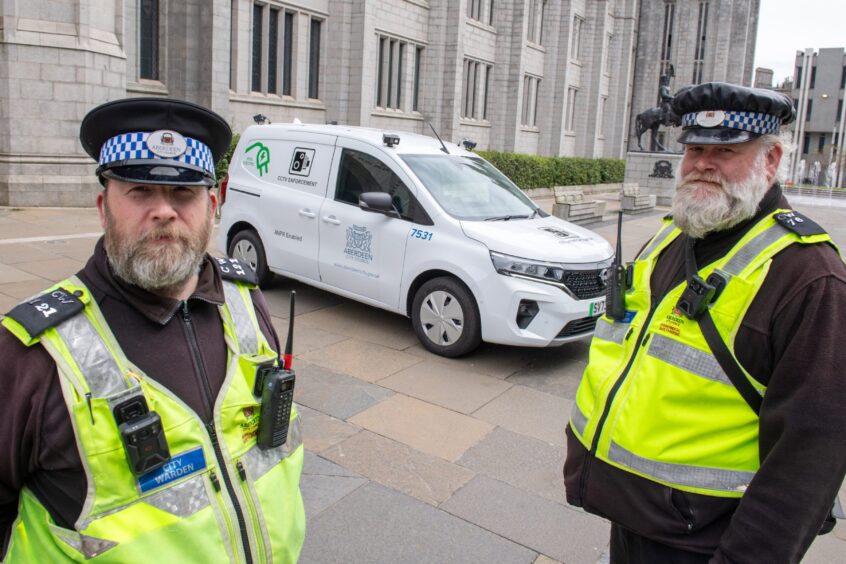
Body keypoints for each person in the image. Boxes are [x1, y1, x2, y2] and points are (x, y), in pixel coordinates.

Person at [0, 98, 305, 562]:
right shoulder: (30, 354)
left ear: (213, 204)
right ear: (104, 207)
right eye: (140, 192)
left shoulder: (246, 298)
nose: (164, 211)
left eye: (183, 194)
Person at [564, 82, 846, 563]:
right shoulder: (676, 234)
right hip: (635, 515)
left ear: (771, 160)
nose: (702, 163)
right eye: (695, 148)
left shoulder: (809, 277)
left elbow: (809, 458)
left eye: (726, 151)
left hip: (706, 541)